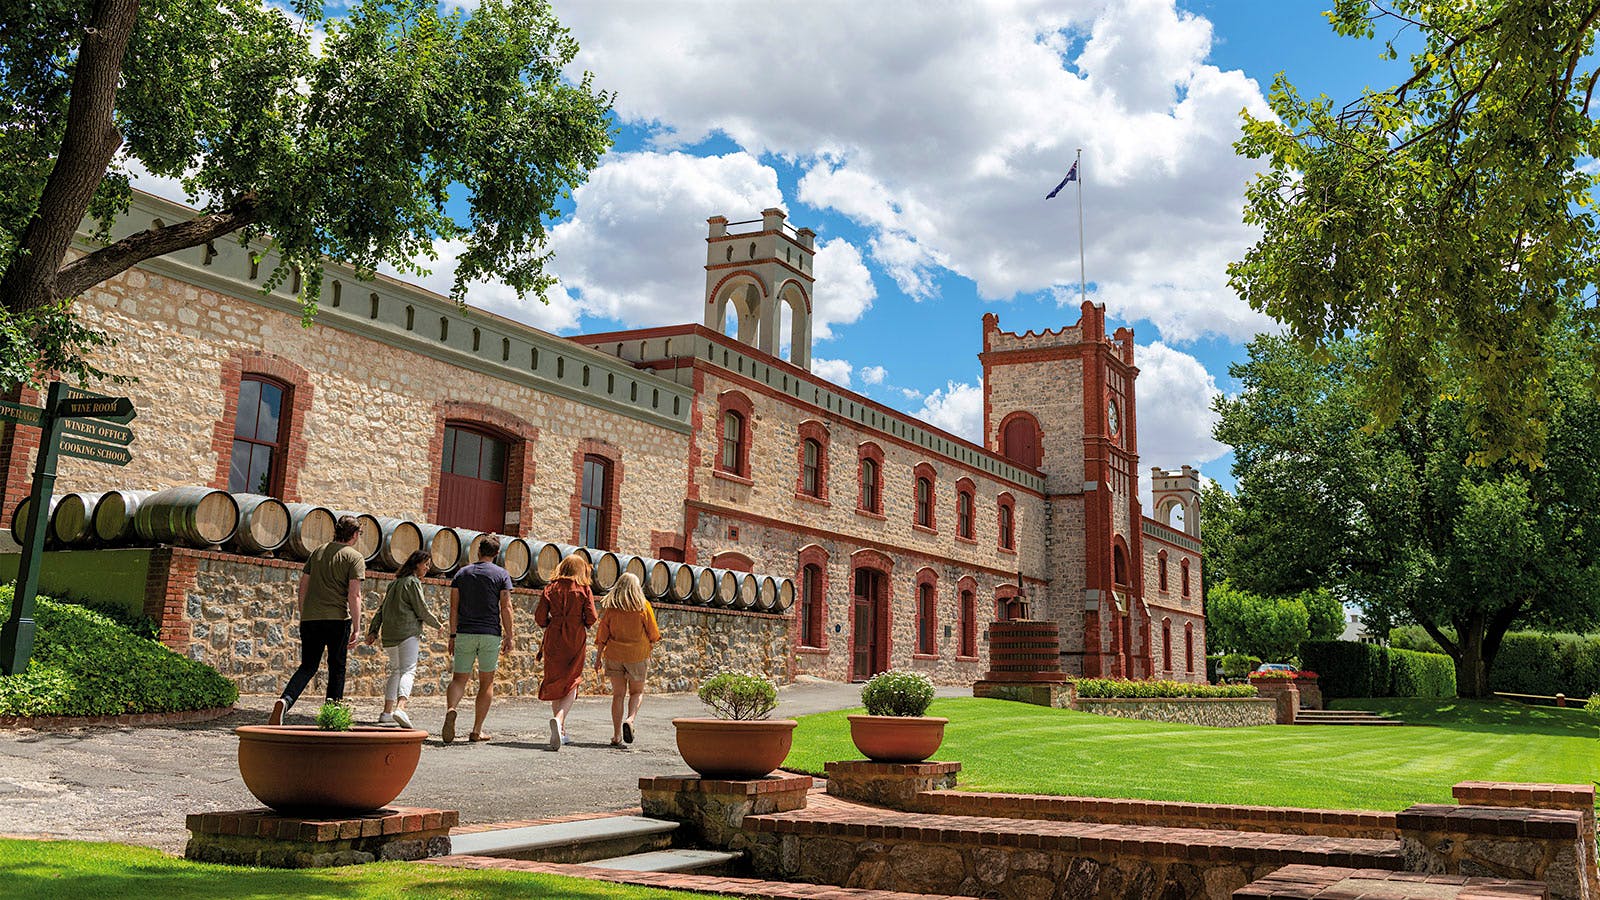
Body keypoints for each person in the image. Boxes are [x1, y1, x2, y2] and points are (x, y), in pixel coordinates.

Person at [270, 515, 365, 724]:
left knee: (308, 666)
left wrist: (305, 615)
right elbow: (354, 595)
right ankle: (332, 717)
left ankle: (286, 700)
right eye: (359, 533)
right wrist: (358, 628)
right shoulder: (354, 557)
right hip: (337, 619)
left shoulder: (318, 552)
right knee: (337, 667)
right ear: (354, 534)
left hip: (311, 618)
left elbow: (303, 585)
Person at [443, 535, 515, 744]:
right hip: (490, 634)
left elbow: (454, 607)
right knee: (487, 682)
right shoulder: (501, 575)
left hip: (465, 632)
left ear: (478, 550)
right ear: (497, 553)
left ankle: (451, 708)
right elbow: (506, 607)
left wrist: (452, 634)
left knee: (459, 679)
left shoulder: (461, 573)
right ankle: (476, 730)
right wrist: (510, 635)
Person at [364, 550, 442, 729]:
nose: (427, 568)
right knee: (409, 670)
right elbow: (421, 609)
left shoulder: (394, 583)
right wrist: (438, 625)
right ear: (416, 564)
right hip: (407, 633)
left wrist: (373, 631)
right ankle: (401, 707)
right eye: (426, 564)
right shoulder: (412, 582)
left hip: (390, 635)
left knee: (396, 671)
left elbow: (381, 610)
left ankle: (386, 713)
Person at [535, 553, 597, 751]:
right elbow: (592, 617)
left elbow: (540, 617)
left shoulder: (550, 588)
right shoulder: (583, 589)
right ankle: (559, 720)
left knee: (555, 680)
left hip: (554, 636)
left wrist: (550, 624)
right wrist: (582, 623)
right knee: (572, 681)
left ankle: (560, 731)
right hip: (575, 636)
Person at [592, 572, 660, 747]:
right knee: (636, 692)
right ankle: (630, 720)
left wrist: (598, 659)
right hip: (637, 656)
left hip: (614, 655)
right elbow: (653, 633)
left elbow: (602, 637)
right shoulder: (643, 607)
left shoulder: (610, 609)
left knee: (618, 695)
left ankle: (616, 736)